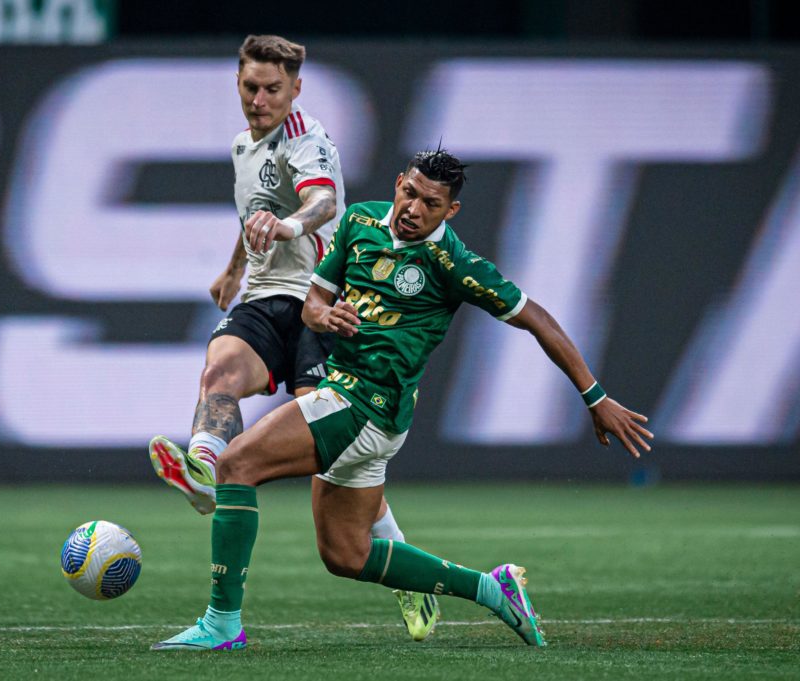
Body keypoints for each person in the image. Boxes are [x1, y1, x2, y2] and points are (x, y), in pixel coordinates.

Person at [151, 148, 655, 651]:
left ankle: (221, 624)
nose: (413, 208)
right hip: (360, 406)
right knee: (346, 555)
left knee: (235, 465)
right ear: (398, 183)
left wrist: (596, 397)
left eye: (430, 203)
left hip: (365, 404)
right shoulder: (361, 221)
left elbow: (536, 318)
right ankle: (491, 588)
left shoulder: (454, 264)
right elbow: (314, 301)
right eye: (409, 193)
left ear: (450, 211)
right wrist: (323, 317)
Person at [147, 35, 441, 641]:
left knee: (334, 472)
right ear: (238, 82)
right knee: (219, 372)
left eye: (272, 89)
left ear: (296, 89)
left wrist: (287, 224)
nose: (259, 99)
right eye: (250, 86)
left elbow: (322, 204)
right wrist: (234, 267)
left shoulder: (308, 140)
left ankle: (412, 578)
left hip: (318, 304)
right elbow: (253, 208)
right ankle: (204, 466)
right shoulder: (241, 145)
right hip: (261, 297)